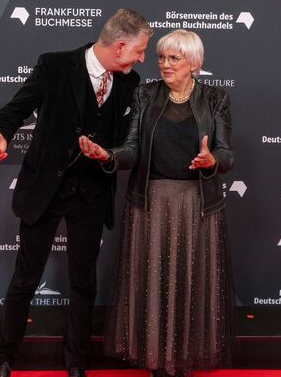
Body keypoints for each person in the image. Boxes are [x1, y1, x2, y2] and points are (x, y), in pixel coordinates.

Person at [0, 9, 153, 377]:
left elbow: (126, 142)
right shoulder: (55, 66)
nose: (141, 59)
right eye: (139, 50)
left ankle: (76, 360)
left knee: (83, 281)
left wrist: (108, 155)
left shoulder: (129, 82)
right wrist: (2, 133)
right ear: (120, 46)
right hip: (45, 188)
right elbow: (17, 108)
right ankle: (3, 357)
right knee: (25, 278)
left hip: (91, 193)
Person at [79, 29, 234, 377]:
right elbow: (132, 148)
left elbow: (226, 154)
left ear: (193, 63)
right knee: (153, 284)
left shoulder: (217, 99)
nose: (164, 64)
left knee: (190, 283)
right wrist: (109, 154)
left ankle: (185, 358)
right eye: (161, 57)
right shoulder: (145, 93)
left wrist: (211, 162)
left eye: (173, 58)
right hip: (150, 202)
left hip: (197, 205)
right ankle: (156, 362)